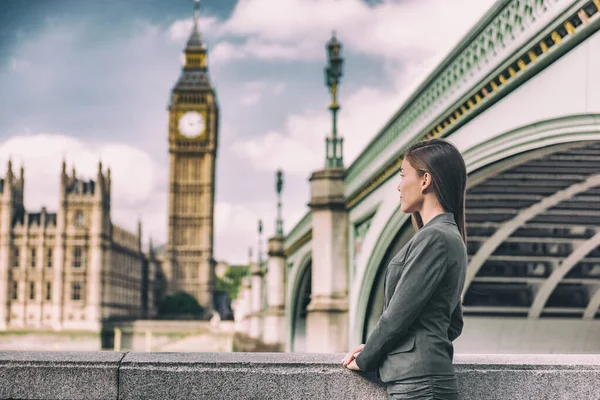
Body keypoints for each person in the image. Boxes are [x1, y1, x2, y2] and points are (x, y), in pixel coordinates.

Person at [342, 138, 468, 400]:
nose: (399, 186)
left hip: (420, 386)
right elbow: (452, 323)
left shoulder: (433, 238)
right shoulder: (449, 236)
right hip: (425, 380)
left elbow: (397, 315)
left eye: (403, 175)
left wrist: (367, 357)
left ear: (425, 180)